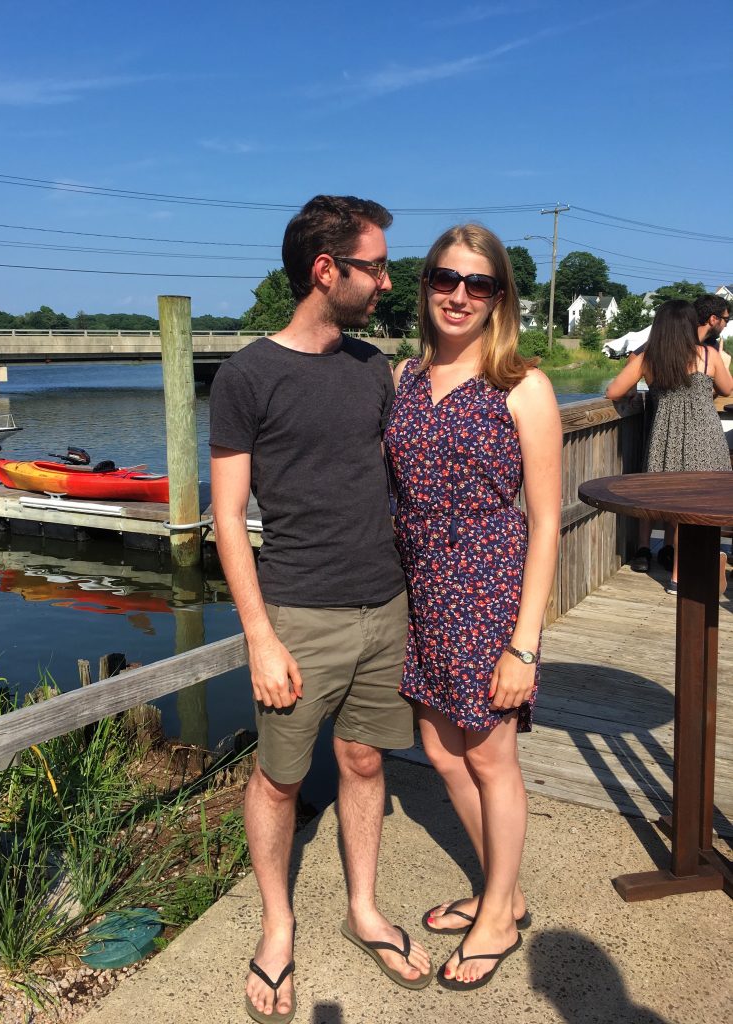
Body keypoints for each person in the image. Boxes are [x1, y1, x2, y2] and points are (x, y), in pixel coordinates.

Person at [210, 195, 432, 1023]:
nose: (386, 281)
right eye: (374, 266)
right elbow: (228, 515)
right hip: (299, 612)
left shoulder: (373, 366)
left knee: (368, 762)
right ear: (325, 271)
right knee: (280, 777)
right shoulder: (246, 376)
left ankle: (363, 907)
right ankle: (277, 925)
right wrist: (259, 636)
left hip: (387, 602)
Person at [384, 224, 562, 990]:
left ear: (499, 298)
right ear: (425, 286)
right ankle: (505, 889)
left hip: (489, 593)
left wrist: (524, 645)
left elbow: (547, 519)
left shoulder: (522, 384)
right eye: (445, 279)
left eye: (478, 284)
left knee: (491, 756)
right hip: (424, 591)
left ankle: (497, 919)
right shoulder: (404, 379)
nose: (459, 295)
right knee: (439, 746)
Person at [606, 299, 733, 594]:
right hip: (706, 438)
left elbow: (613, 390)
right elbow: (727, 389)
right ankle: (684, 572)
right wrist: (721, 363)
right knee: (703, 506)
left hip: (666, 439)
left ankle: (676, 575)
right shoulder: (707, 355)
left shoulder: (649, 358)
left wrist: (633, 397)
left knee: (675, 506)